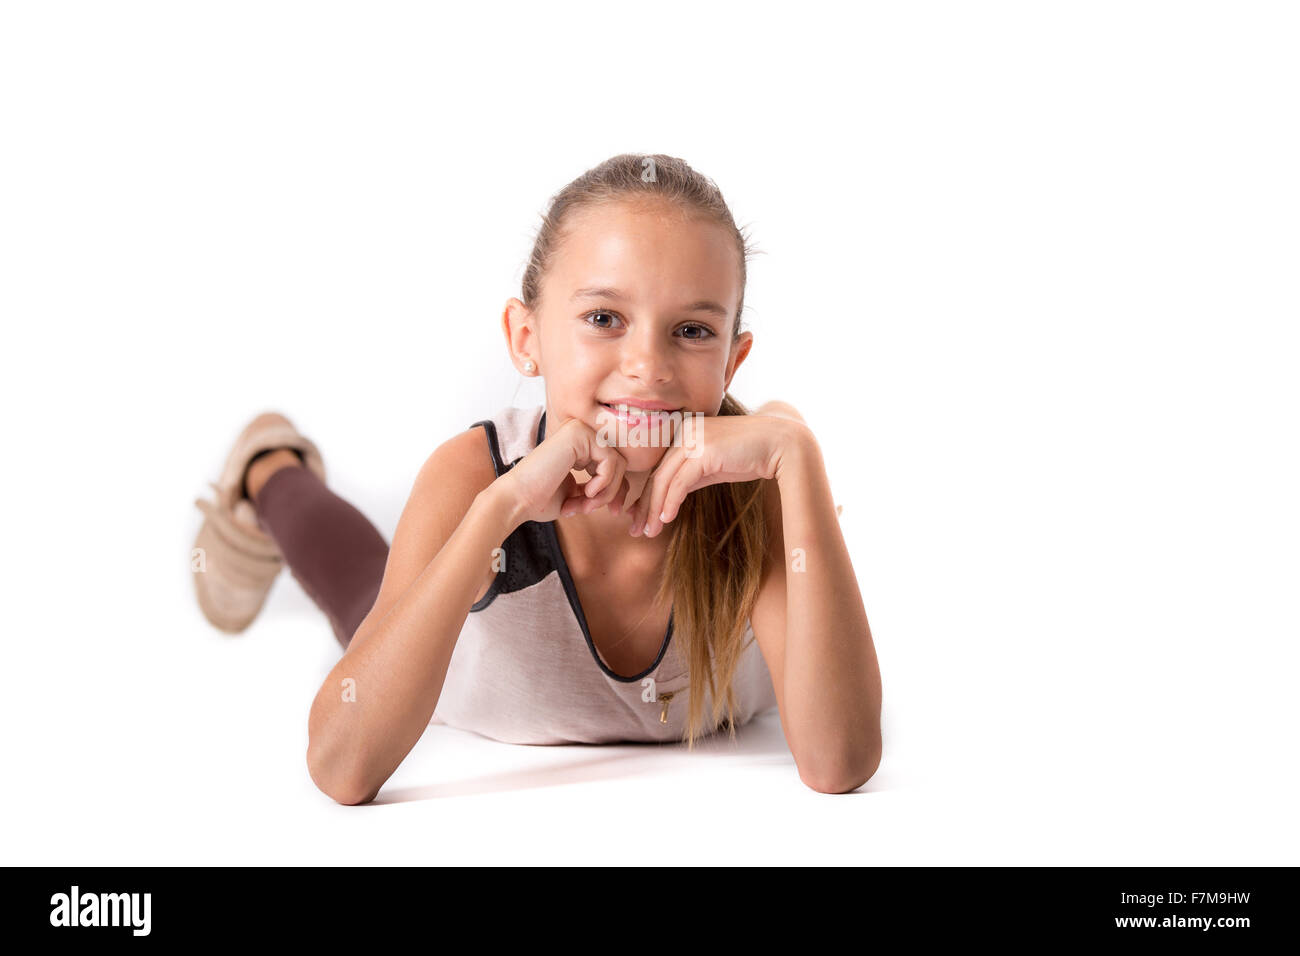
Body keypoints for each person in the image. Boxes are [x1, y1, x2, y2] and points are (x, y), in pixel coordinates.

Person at [190, 153, 882, 803]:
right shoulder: (475, 478)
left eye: (693, 330)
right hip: (460, 637)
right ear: (527, 340)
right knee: (360, 590)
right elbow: (341, 769)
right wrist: (503, 506)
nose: (646, 364)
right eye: (604, 318)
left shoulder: (761, 481)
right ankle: (269, 469)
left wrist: (799, 455)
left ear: (733, 361)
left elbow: (839, 761)